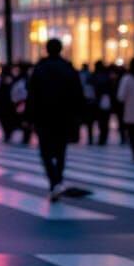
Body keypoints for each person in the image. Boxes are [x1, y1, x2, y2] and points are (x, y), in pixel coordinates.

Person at [25, 38, 83, 200]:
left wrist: (29, 117)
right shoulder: (68, 68)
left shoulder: (40, 68)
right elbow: (77, 94)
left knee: (45, 152)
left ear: (47, 49)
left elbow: (32, 94)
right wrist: (78, 116)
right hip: (64, 116)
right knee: (61, 150)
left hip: (43, 116)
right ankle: (58, 179)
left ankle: (54, 181)